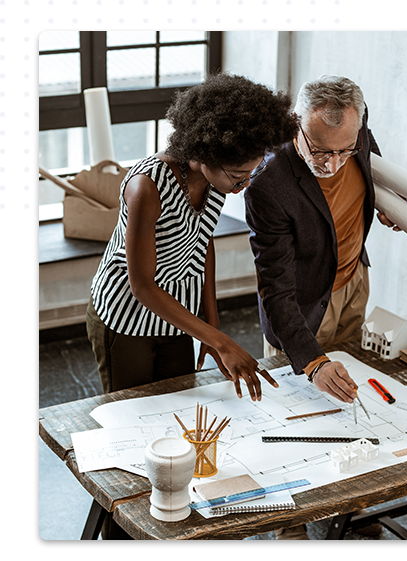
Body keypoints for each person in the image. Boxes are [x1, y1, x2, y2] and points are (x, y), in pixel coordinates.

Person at [245, 76, 399, 539]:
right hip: (300, 304)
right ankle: (289, 528)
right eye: (320, 151)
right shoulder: (267, 183)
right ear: (297, 125)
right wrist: (310, 360)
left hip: (353, 281)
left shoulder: (356, 132)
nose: (333, 163)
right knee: (292, 427)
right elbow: (275, 288)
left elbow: (369, 162)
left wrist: (386, 200)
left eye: (343, 150)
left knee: (347, 409)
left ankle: (348, 514)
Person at [86, 73, 298, 405]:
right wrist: (222, 341)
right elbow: (142, 285)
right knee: (132, 412)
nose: (243, 186)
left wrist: (211, 326)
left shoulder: (217, 180)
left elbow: (203, 242)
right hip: (126, 314)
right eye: (238, 176)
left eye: (251, 173)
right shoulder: (147, 186)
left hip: (178, 313)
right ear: (204, 154)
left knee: (179, 405)